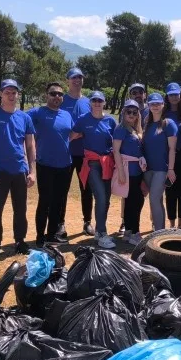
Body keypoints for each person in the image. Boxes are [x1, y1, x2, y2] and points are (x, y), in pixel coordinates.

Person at [0, 79, 36, 257]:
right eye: (7, 92)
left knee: (21, 209)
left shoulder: (25, 118)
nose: (11, 96)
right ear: (1, 95)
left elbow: (30, 146)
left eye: (14, 92)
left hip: (19, 170)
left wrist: (32, 171)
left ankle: (20, 241)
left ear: (18, 94)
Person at [27, 82, 74, 246]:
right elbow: (16, 116)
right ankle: (40, 237)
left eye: (60, 94)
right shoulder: (37, 112)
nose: (57, 97)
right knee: (45, 200)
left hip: (65, 165)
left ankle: (52, 235)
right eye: (53, 93)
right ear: (46, 95)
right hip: (45, 164)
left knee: (58, 201)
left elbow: (72, 133)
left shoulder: (67, 115)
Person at [71, 90, 119, 249]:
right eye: (94, 100)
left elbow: (117, 142)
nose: (97, 103)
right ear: (90, 103)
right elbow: (71, 135)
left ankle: (99, 231)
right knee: (100, 196)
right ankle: (102, 233)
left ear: (104, 102)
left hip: (107, 163)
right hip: (92, 164)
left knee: (106, 198)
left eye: (100, 100)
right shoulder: (83, 120)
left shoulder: (111, 121)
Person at [60, 67, 93, 237]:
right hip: (65, 153)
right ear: (68, 81)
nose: (77, 80)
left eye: (80, 77)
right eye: (73, 77)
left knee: (86, 188)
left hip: (85, 153)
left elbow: (93, 123)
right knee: (62, 189)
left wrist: (80, 133)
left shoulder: (88, 102)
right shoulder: (61, 100)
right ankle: (60, 224)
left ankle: (87, 222)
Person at [142, 92, 178, 232]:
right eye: (152, 104)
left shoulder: (168, 123)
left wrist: (171, 169)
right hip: (148, 169)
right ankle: (160, 229)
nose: (155, 106)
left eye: (158, 103)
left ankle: (159, 232)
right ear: (148, 105)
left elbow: (172, 149)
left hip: (162, 169)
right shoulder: (146, 122)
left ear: (163, 105)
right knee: (157, 201)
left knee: (154, 199)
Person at [113, 100, 146, 246]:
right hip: (128, 170)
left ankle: (128, 231)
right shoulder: (121, 129)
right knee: (136, 200)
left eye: (134, 112)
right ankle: (134, 232)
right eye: (128, 111)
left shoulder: (136, 129)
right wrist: (120, 171)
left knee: (133, 200)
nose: (131, 114)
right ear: (124, 113)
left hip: (137, 170)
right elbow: (116, 151)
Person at [163, 82, 181, 228]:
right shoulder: (164, 114)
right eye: (171, 94)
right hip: (168, 156)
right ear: (167, 96)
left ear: (180, 95)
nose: (174, 97)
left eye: (176, 94)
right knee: (170, 191)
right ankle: (171, 224)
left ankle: (180, 225)